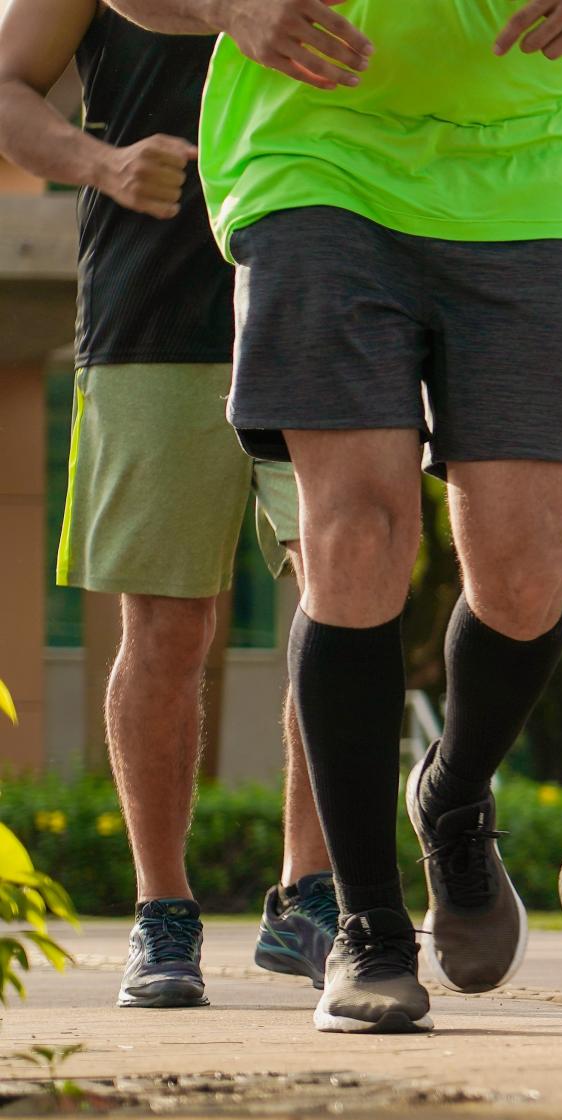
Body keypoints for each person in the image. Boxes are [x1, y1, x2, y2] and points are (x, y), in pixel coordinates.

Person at [107, 0, 562, 1033]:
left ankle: (451, 797)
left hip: (525, 188)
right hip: (312, 167)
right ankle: (367, 925)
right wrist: (232, 8)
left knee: (526, 575)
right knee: (355, 537)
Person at [0, 0, 338, 1010]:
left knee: (345, 598)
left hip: (327, 304)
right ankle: (164, 911)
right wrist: (98, 164)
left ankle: (312, 894)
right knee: (167, 625)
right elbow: (6, 86)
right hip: (149, 313)